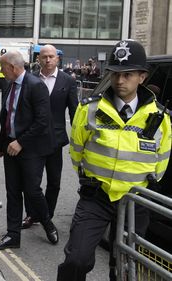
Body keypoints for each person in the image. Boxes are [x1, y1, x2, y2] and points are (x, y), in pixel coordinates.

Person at [57, 40, 171, 281]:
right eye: (115, 74)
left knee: (125, 267)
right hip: (95, 197)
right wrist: (91, 178)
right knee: (76, 260)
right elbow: (77, 151)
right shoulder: (88, 109)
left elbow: (161, 163)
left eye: (127, 75)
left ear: (142, 77)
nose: (120, 81)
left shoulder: (160, 118)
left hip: (134, 202)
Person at [0, 51, 58, 250]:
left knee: (32, 191)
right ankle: (13, 236)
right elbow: (7, 120)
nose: (1, 71)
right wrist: (2, 146)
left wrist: (20, 142)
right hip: (11, 147)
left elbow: (43, 121)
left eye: (2, 67)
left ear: (12, 67)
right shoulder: (10, 85)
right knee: (12, 191)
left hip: (31, 149)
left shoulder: (36, 86)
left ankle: (47, 222)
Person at [21, 44, 78, 229]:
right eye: (44, 56)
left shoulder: (67, 81)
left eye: (51, 56)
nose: (47, 60)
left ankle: (47, 215)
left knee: (54, 182)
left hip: (55, 141)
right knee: (31, 182)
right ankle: (31, 214)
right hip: (33, 140)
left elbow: (75, 112)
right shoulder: (29, 79)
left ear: (57, 59)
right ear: (38, 59)